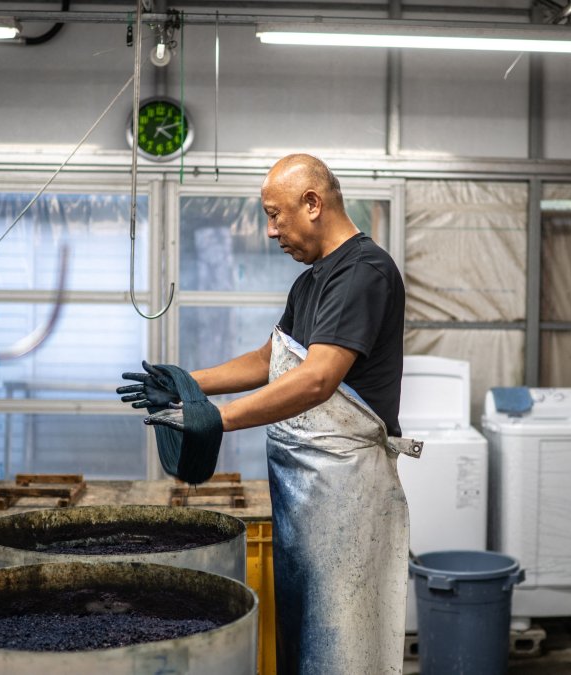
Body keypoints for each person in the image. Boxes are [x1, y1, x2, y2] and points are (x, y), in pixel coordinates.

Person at [119, 154, 418, 674]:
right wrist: (187, 383)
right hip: (307, 499)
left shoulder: (362, 272)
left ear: (312, 203)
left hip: (347, 493)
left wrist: (218, 418)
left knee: (342, 646)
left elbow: (317, 378)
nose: (270, 230)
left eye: (276, 215)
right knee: (306, 642)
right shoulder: (311, 280)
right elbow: (270, 360)